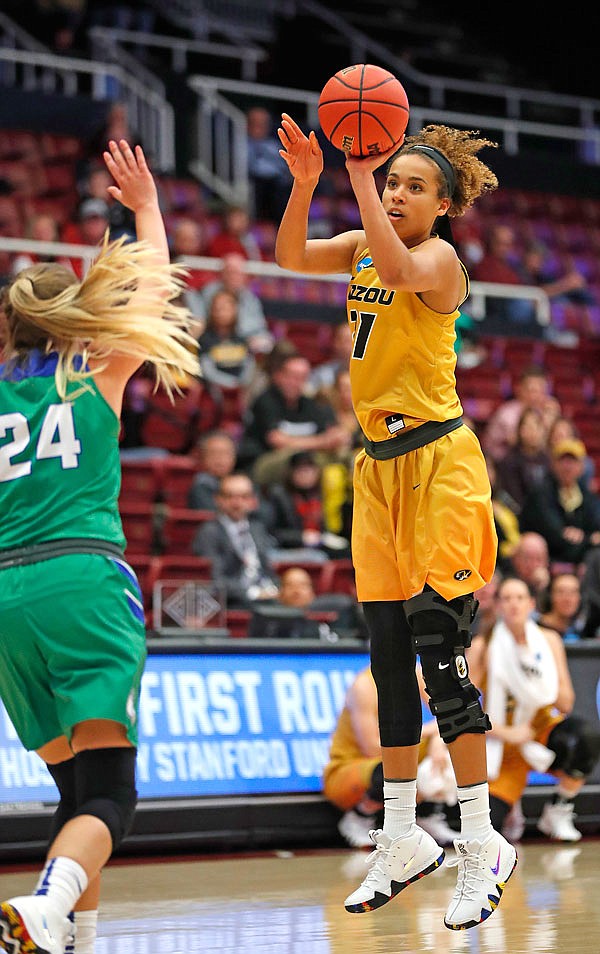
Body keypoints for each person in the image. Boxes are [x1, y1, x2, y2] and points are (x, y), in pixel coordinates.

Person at [275, 113, 516, 930]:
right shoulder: (360, 241)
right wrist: (309, 185)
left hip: (441, 465)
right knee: (388, 669)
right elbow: (286, 257)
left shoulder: (440, 260)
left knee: (441, 661)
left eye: (414, 186)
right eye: (392, 182)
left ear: (444, 205)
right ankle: (404, 835)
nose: (397, 193)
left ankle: (483, 849)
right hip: (377, 474)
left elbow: (406, 268)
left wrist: (356, 178)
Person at [0, 140, 199, 954]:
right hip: (80, 577)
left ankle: (67, 931)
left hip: (7, 603)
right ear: (73, 314)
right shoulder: (92, 371)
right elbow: (152, 291)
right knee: (113, 793)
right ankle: (48, 905)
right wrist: (146, 208)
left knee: (76, 791)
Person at [468, 576, 600, 843]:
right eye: (506, 598)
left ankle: (560, 807)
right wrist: (504, 732)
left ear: (531, 604)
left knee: (584, 737)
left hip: (538, 731)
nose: (513, 604)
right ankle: (510, 806)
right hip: (504, 743)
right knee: (487, 831)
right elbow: (465, 704)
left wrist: (534, 678)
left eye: (519, 598)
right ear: (498, 605)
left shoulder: (547, 640)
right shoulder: (484, 645)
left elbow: (566, 702)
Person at [324, 666, 459, 852]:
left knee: (450, 748)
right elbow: (372, 748)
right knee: (390, 769)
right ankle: (359, 816)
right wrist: (433, 731)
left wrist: (438, 740)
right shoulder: (364, 686)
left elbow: (445, 718)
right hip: (353, 767)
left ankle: (426, 815)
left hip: (399, 754)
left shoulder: (417, 673)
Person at [238, 352, 350, 486]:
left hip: (305, 462)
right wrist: (321, 442)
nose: (296, 383)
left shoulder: (309, 404)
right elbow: (277, 441)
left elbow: (335, 434)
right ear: (279, 376)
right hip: (265, 462)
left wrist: (332, 438)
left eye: (302, 378)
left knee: (340, 457)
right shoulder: (266, 401)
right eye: (292, 376)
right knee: (299, 461)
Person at [191, 471, 280, 609]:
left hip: (265, 597)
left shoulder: (257, 529)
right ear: (218, 499)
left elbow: (267, 570)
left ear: (253, 501)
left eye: (244, 497)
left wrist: (275, 589)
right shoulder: (209, 532)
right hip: (232, 603)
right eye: (229, 496)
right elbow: (215, 581)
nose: (237, 503)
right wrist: (254, 593)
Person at [519, 437, 600, 566]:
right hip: (547, 561)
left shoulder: (589, 497)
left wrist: (584, 538)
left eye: (573, 461)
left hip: (582, 563)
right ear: (553, 464)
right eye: (563, 460)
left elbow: (597, 528)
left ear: (582, 467)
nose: (567, 466)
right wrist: (589, 539)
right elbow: (554, 535)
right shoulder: (540, 494)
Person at [265, 450, 350, 563]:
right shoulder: (279, 495)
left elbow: (326, 526)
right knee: (318, 557)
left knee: (347, 553)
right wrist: (301, 537)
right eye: (301, 470)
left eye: (310, 470)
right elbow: (272, 532)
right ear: (290, 473)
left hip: (319, 544)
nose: (306, 475)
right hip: (290, 548)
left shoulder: (320, 493)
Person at [189, 252, 274, 355]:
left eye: (237, 273)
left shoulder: (250, 298)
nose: (234, 277)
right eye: (230, 272)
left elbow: (259, 327)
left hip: (244, 346)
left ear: (244, 276)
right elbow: (200, 322)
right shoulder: (208, 293)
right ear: (221, 274)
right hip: (212, 344)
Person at [482, 364, 561, 463]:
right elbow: (521, 441)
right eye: (531, 390)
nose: (535, 395)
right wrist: (546, 425)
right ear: (520, 389)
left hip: (537, 464)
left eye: (540, 390)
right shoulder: (507, 414)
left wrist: (553, 419)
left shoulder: (548, 410)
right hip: (503, 465)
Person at [197, 288, 256, 392]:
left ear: (235, 310)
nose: (221, 312)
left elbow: (248, 366)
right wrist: (230, 383)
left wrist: (240, 383)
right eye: (217, 308)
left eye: (225, 308)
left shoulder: (241, 339)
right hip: (212, 392)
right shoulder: (205, 339)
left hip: (239, 391)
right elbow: (207, 371)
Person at [495, 406, 552, 513]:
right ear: (520, 430)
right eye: (528, 426)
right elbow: (510, 497)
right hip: (519, 515)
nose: (532, 431)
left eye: (536, 426)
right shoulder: (509, 461)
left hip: (545, 516)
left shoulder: (548, 460)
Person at [246, 105, 291, 224]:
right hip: (255, 181)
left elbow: (283, 166)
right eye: (256, 123)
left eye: (263, 123)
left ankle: (282, 226)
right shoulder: (241, 143)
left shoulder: (273, 145)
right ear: (248, 124)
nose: (259, 127)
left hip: (276, 183)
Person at [508, 531, 552, 608]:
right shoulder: (506, 584)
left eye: (539, 559)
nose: (533, 565)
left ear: (547, 561)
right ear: (515, 559)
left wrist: (542, 589)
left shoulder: (553, 586)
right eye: (527, 559)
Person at [537, 571, 584, 641]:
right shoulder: (534, 630)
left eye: (573, 592)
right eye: (561, 592)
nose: (567, 599)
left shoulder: (583, 629)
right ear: (550, 596)